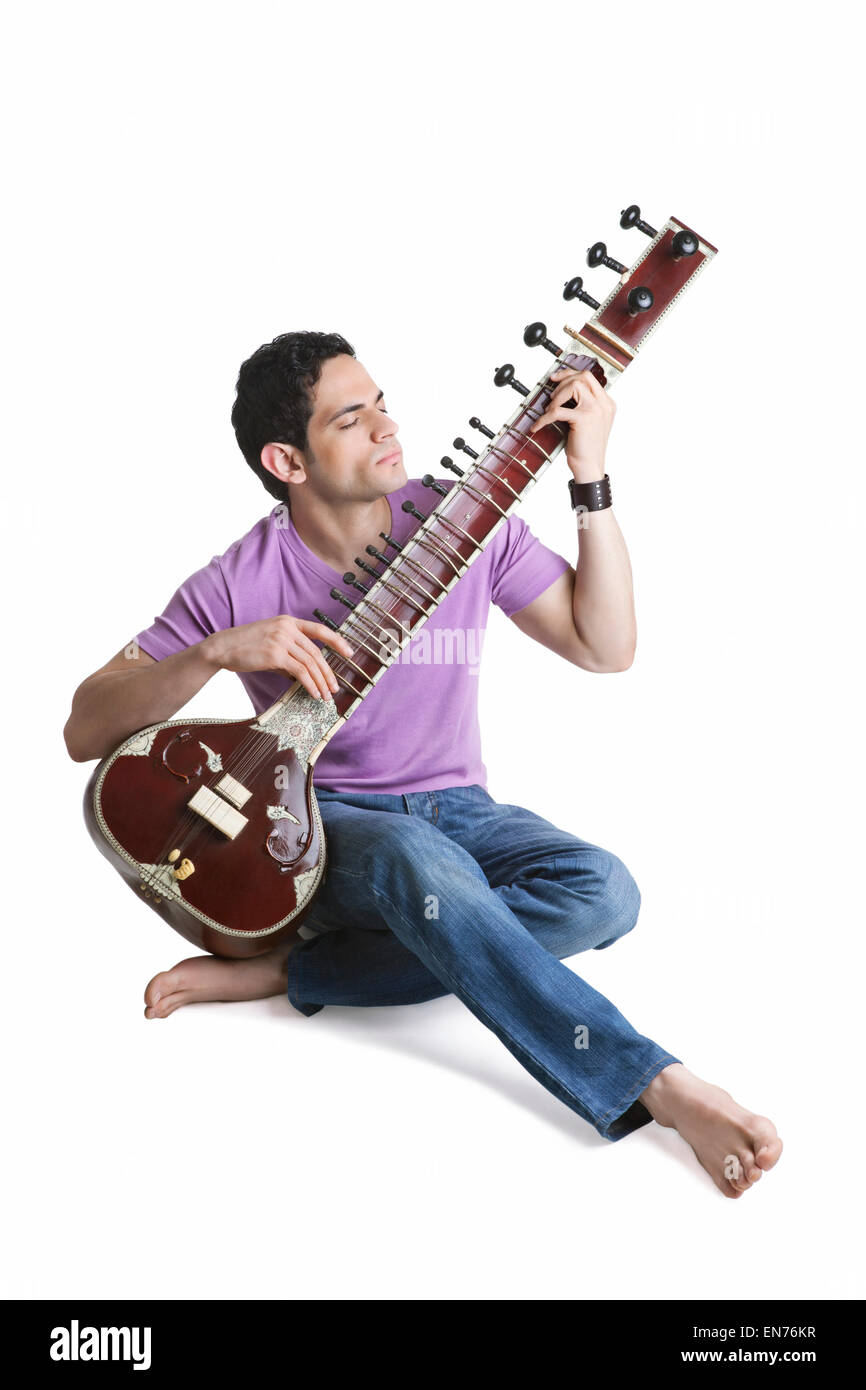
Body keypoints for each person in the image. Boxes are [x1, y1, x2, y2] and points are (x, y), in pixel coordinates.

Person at [64, 331, 782, 1198]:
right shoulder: (240, 577)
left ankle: (300, 971)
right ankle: (657, 1084)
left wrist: (588, 478)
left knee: (605, 892)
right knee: (419, 863)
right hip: (320, 829)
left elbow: (607, 646)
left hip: (463, 810)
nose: (388, 428)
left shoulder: (459, 523)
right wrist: (217, 650)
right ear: (287, 459)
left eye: (383, 403)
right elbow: (83, 727)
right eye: (352, 418)